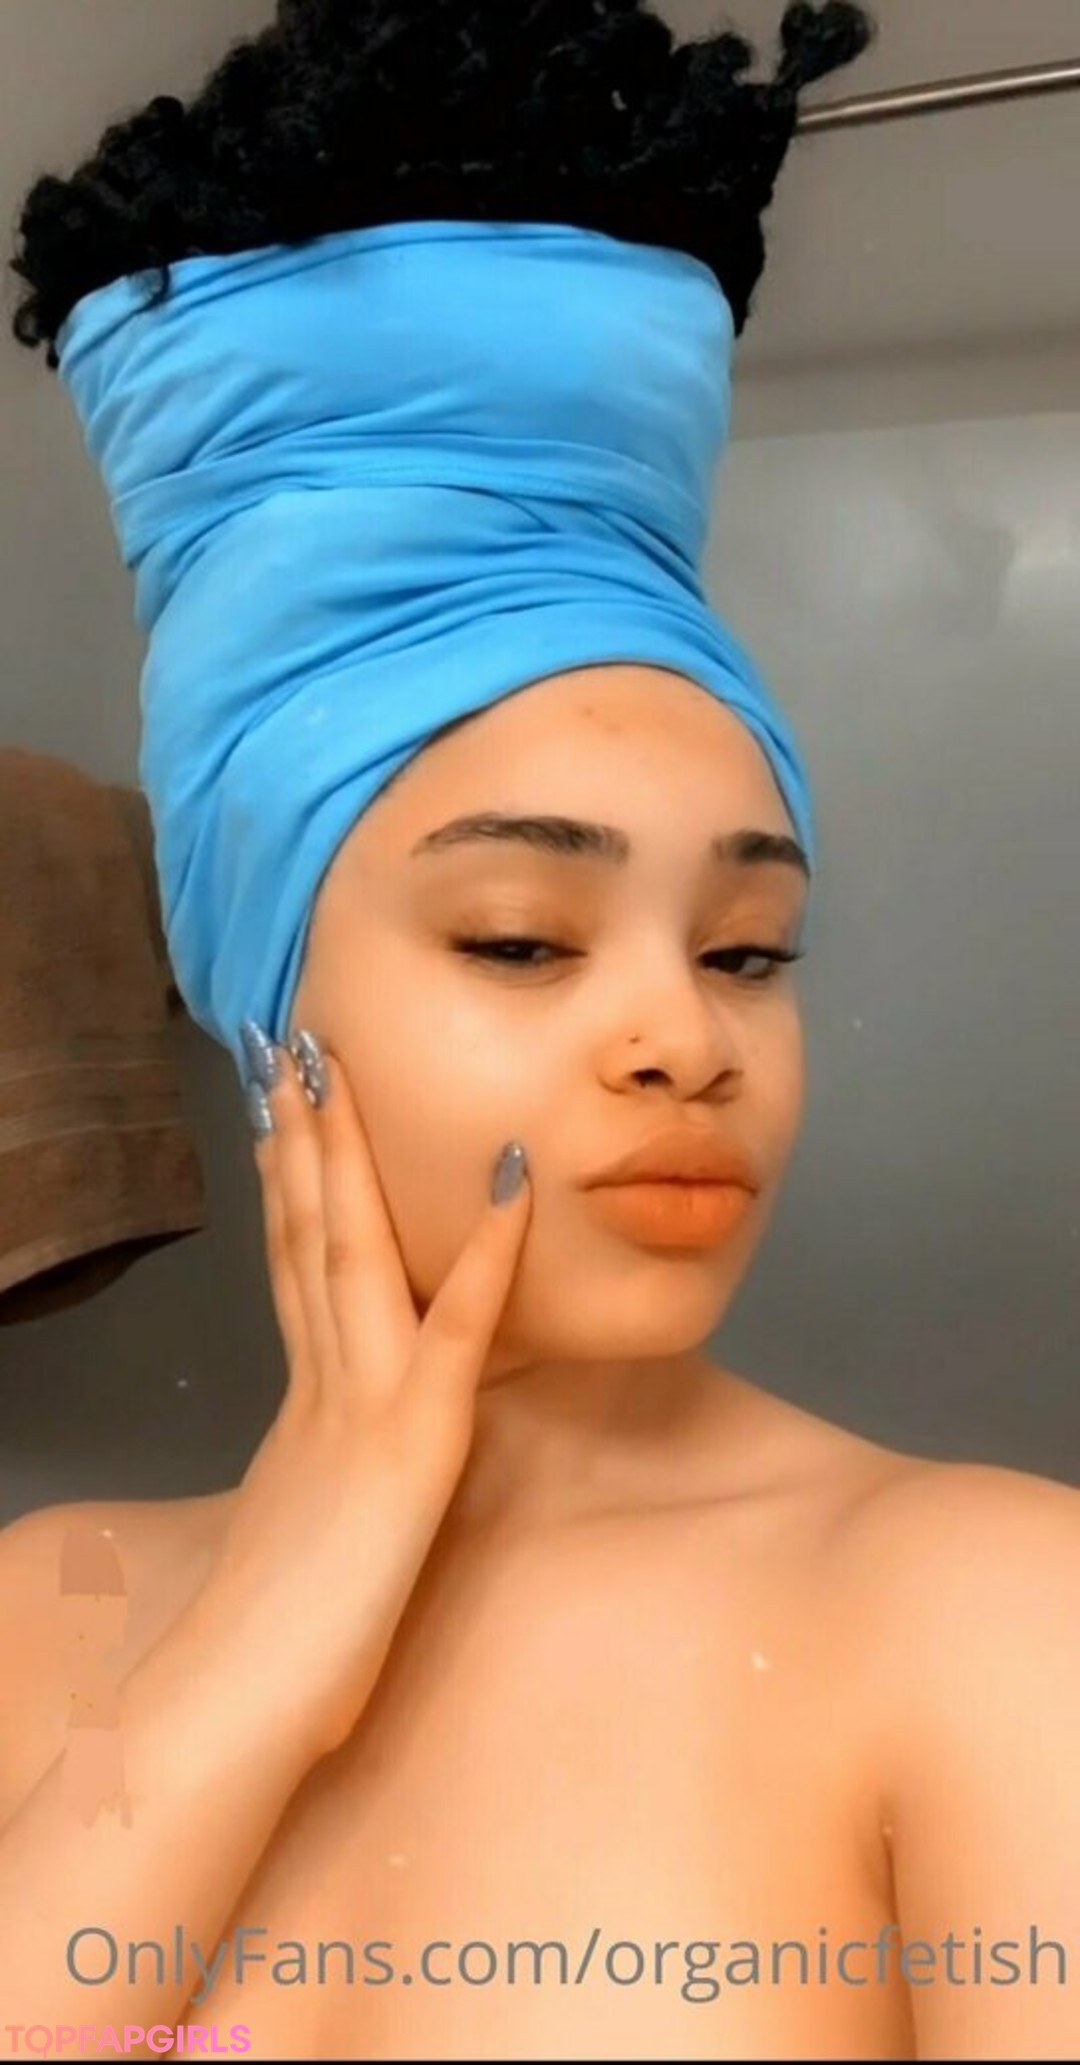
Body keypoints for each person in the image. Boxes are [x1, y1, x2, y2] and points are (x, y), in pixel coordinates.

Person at [2, 4, 1077, 2060]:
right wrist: (267, 1637)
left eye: (748, 950)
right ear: (263, 1006)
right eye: (518, 937)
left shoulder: (992, 1617)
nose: (685, 1038)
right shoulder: (52, 1612)